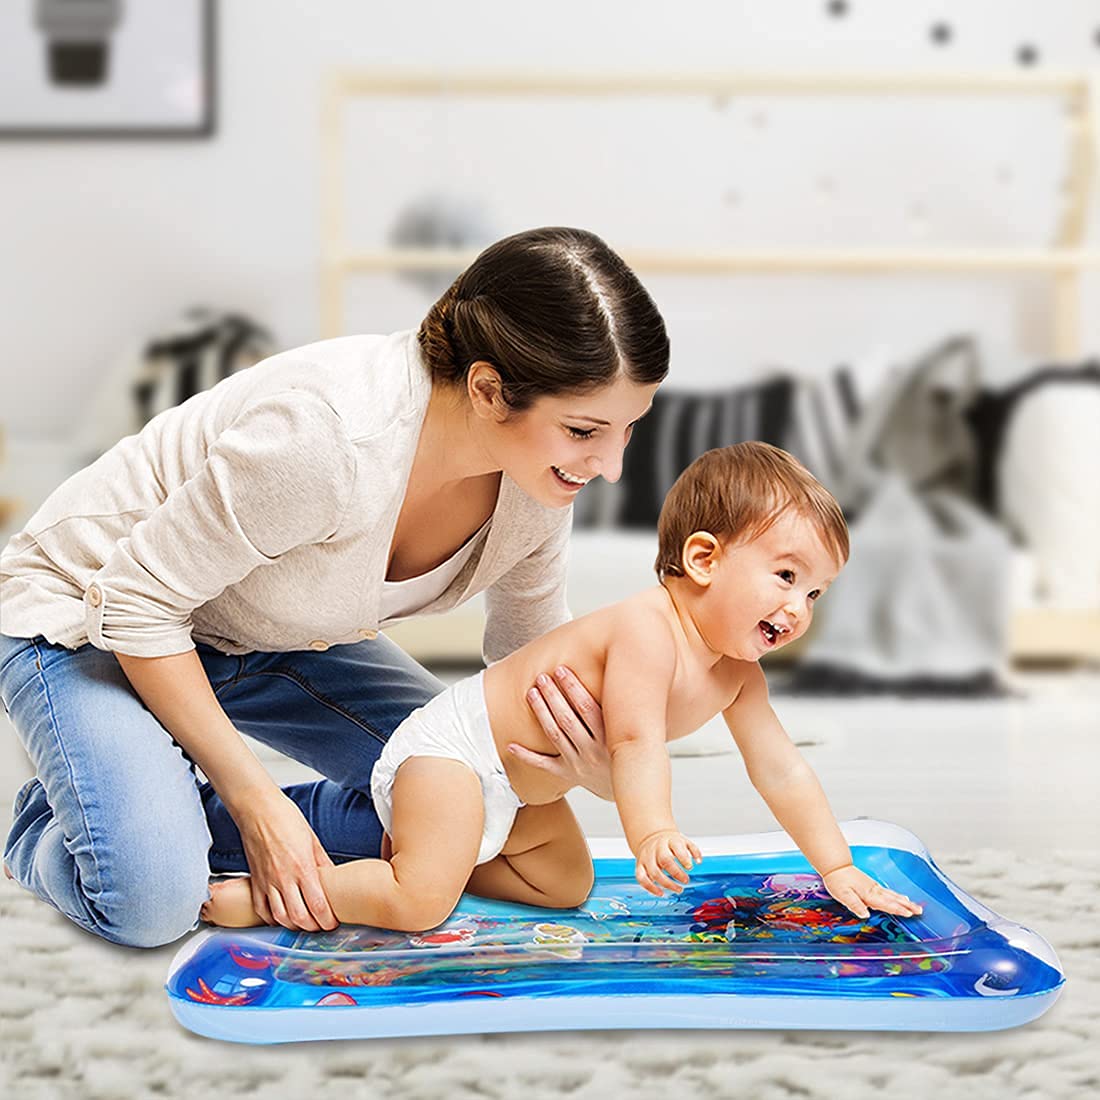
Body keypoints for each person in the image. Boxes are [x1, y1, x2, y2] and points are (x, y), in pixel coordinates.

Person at [0, 227, 669, 947]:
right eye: (583, 430)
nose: (609, 467)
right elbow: (136, 602)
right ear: (487, 389)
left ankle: (156, 806)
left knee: (479, 812)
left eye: (628, 429)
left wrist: (592, 763)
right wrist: (257, 803)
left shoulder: (537, 488)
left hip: (263, 635)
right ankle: (48, 822)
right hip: (89, 617)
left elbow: (526, 663)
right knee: (150, 901)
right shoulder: (326, 441)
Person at [202, 442, 923, 932]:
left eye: (817, 593)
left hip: (517, 792)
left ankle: (431, 863)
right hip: (453, 756)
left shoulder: (738, 677)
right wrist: (653, 831)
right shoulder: (649, 630)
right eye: (787, 576)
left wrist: (835, 863)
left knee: (566, 886)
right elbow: (635, 739)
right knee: (418, 904)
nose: (799, 608)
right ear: (703, 558)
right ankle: (278, 899)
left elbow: (781, 765)